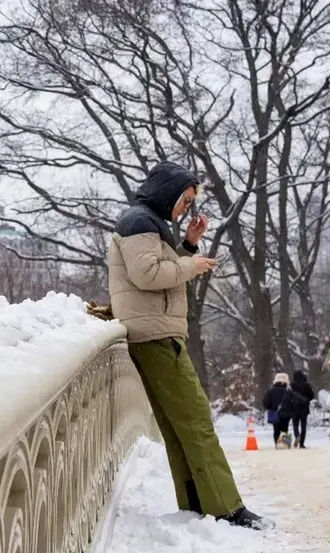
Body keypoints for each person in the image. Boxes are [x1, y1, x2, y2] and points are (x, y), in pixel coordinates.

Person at [107, 161, 265, 530]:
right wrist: (192, 264)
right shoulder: (139, 222)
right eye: (185, 199)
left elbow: (158, 266)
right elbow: (148, 275)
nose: (186, 208)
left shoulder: (144, 221)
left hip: (154, 335)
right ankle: (227, 508)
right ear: (169, 191)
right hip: (157, 337)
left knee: (180, 427)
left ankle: (198, 503)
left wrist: (188, 245)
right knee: (196, 422)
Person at [263, 373, 292, 448]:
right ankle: (284, 444)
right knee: (284, 428)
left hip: (274, 412)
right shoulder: (288, 391)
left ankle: (277, 443)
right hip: (286, 413)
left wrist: (271, 408)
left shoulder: (270, 391)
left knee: (276, 429)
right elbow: (292, 402)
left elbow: (266, 402)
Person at [289, 369, 316, 448]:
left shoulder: (292, 385)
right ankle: (301, 443)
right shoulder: (306, 385)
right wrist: (306, 400)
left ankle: (297, 435)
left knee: (295, 424)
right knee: (303, 426)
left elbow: (288, 396)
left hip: (294, 408)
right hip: (304, 408)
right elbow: (311, 395)